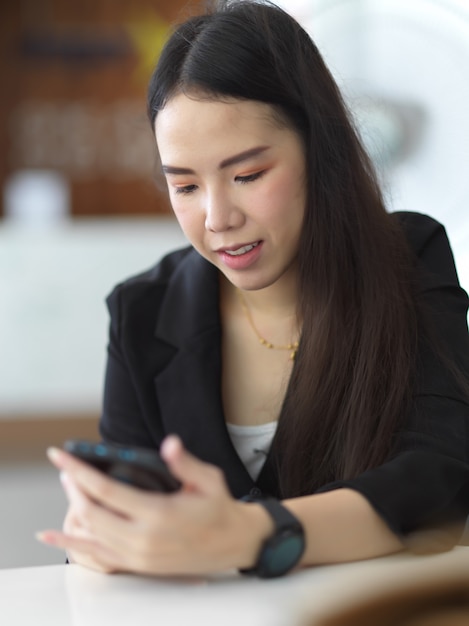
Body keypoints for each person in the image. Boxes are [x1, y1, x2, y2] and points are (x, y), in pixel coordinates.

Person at [38, 0, 469, 578]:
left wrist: (250, 535)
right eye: (185, 186)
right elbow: (127, 514)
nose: (217, 218)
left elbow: (440, 477)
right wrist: (111, 532)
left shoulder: (408, 261)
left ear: (320, 151)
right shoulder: (143, 310)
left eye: (247, 176)